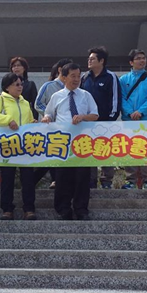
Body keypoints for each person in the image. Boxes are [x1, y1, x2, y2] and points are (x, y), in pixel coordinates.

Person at [42, 63, 99, 220]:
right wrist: (46, 118)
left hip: (82, 142)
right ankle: (63, 208)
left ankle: (81, 209)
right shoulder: (57, 96)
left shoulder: (86, 95)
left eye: (78, 76)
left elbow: (95, 115)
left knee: (82, 177)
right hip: (63, 143)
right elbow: (49, 114)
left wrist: (83, 117)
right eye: (72, 76)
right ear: (64, 77)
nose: (76, 79)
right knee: (62, 177)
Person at [0, 72, 37, 221]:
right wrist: (8, 120)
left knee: (28, 179)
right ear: (7, 87)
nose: (20, 87)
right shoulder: (0, 99)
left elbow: (28, 120)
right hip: (7, 145)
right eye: (16, 84)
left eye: (21, 84)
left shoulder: (25, 102)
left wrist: (33, 123)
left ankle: (29, 208)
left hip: (25, 145)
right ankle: (7, 209)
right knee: (7, 178)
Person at [81, 46, 121, 189]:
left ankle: (106, 181)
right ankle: (91, 181)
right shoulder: (84, 77)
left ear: (102, 61)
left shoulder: (111, 77)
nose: (89, 61)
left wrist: (110, 120)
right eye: (89, 59)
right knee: (88, 151)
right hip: (88, 123)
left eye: (92, 59)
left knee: (106, 151)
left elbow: (115, 100)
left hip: (105, 122)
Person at [120, 49, 147, 190]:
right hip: (128, 119)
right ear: (131, 62)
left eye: (143, 58)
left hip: (146, 119)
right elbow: (121, 98)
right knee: (129, 148)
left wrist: (141, 112)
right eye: (138, 58)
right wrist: (130, 112)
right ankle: (130, 179)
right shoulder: (123, 79)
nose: (142, 60)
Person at [34, 58, 72, 188]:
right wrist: (50, 114)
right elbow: (38, 103)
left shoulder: (73, 88)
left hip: (67, 128)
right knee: (51, 154)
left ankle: (57, 181)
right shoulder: (49, 86)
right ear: (60, 70)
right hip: (50, 127)